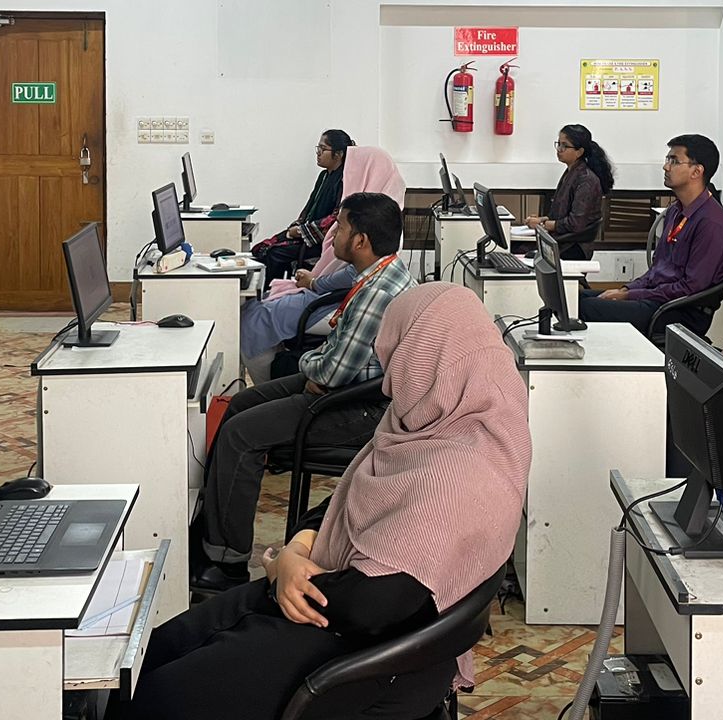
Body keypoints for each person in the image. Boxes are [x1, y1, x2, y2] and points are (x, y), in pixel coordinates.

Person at [113, 282, 530, 720]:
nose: (389, 374)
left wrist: (283, 573)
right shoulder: (437, 425)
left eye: (396, 356)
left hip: (363, 652)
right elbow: (343, 503)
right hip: (336, 607)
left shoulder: (459, 474)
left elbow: (374, 605)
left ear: (423, 360)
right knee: (150, 654)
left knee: (154, 697)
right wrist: (296, 550)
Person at [193, 191, 413, 592]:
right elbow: (335, 358)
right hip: (344, 384)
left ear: (361, 240)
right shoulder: (383, 272)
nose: (333, 235)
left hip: (358, 406)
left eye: (340, 228)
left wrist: (311, 365)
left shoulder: (377, 294)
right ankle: (209, 529)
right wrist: (317, 367)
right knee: (239, 405)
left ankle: (226, 563)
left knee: (241, 435)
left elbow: (331, 373)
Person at [239, 146, 406, 381]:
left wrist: (315, 283)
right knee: (258, 307)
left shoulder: (372, 222)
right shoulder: (377, 217)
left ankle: (266, 386)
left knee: (256, 318)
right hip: (331, 294)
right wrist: (315, 282)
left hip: (335, 301)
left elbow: (334, 371)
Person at [580, 134, 723, 339]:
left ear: (697, 171)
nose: (665, 167)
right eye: (667, 159)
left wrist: (631, 295)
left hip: (677, 311)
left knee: (586, 308)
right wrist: (628, 289)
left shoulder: (712, 224)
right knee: (575, 297)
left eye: (674, 161)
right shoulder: (675, 211)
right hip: (657, 298)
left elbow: (691, 288)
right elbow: (656, 271)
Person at [250, 129, 354, 285]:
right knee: (263, 248)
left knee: (275, 253)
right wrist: (296, 228)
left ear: (338, 154)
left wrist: (301, 231)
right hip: (308, 233)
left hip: (323, 241)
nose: (318, 153)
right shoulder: (324, 176)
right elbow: (308, 210)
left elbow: (335, 218)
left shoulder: (344, 180)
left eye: (323, 149)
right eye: (318, 148)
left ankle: (272, 292)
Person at [524, 123, 613, 261]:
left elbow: (575, 223)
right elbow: (559, 215)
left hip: (573, 247)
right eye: (558, 144)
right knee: (518, 248)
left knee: (520, 250)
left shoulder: (586, 180)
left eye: (565, 146)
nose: (559, 149)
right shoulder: (571, 172)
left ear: (579, 152)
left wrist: (542, 225)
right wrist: (540, 220)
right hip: (562, 240)